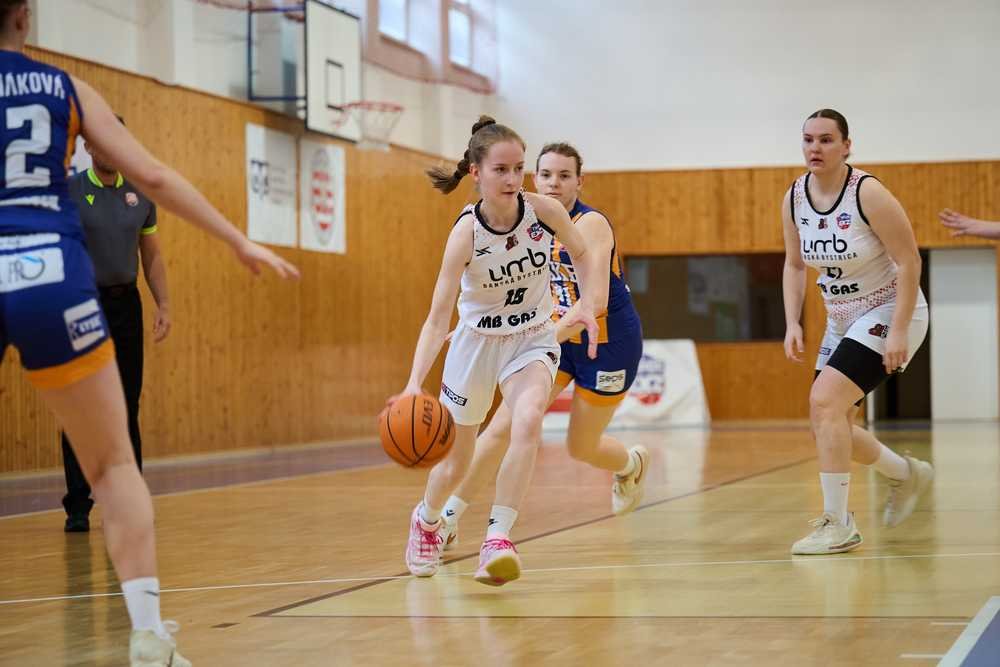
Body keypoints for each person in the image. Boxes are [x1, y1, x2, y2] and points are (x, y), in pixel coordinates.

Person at [0, 1, 298, 664]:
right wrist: (237, 239)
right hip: (53, 274)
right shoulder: (65, 88)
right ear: (25, 15)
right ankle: (146, 635)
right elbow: (156, 175)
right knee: (113, 465)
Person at [392, 116, 601, 587]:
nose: (512, 179)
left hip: (532, 338)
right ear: (476, 172)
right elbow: (436, 319)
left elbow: (583, 253)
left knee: (526, 420)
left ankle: (498, 539)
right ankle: (427, 520)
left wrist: (587, 302)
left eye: (518, 169)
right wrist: (412, 384)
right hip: (475, 345)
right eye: (501, 170)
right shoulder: (465, 235)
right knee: (456, 462)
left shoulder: (544, 211)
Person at [436, 142, 647, 553]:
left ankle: (630, 465)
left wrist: (535, 336)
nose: (554, 183)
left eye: (564, 176)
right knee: (500, 429)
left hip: (606, 342)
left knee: (581, 446)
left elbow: (594, 303)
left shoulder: (590, 224)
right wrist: (474, 328)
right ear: (534, 177)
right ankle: (448, 519)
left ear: (579, 182)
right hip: (551, 337)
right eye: (546, 175)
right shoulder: (522, 220)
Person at [782, 108, 933, 556]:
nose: (815, 148)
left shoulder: (867, 193)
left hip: (890, 308)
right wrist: (792, 321)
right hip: (841, 317)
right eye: (808, 139)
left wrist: (899, 330)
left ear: (847, 146)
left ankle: (838, 523)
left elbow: (910, 261)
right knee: (828, 424)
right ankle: (906, 474)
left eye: (826, 139)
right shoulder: (794, 197)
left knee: (825, 401)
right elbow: (794, 265)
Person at [61, 115, 169, 533]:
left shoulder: (139, 193)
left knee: (127, 404)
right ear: (88, 147)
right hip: (83, 305)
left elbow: (151, 254)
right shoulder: (71, 192)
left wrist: (164, 304)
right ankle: (78, 503)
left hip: (126, 306)